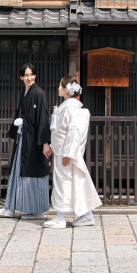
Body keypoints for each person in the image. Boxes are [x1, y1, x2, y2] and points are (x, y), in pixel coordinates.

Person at [0, 63, 52, 219]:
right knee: (18, 173)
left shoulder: (39, 93)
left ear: (35, 76)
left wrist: (45, 142)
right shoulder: (25, 93)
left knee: (33, 175)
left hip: (34, 143)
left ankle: (37, 211)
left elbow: (44, 119)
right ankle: (10, 208)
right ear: (21, 77)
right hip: (24, 140)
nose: (29, 78)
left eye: (31, 74)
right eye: (26, 75)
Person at [43, 75, 102, 229]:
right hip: (63, 151)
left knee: (64, 183)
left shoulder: (69, 107)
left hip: (65, 153)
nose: (58, 88)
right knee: (75, 181)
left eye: (60, 86)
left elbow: (73, 131)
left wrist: (68, 153)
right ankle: (86, 214)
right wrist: (52, 146)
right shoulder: (69, 106)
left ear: (67, 90)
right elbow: (60, 132)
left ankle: (61, 216)